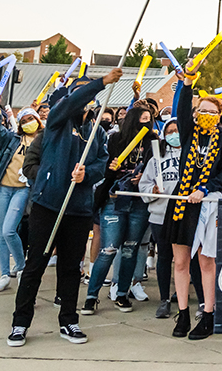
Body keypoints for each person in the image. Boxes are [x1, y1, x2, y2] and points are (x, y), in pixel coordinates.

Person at [8, 69, 121, 347]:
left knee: (71, 268)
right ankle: (20, 323)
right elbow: (70, 102)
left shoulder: (96, 132)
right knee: (35, 265)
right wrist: (99, 83)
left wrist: (88, 174)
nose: (87, 98)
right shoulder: (58, 120)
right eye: (82, 92)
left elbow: (101, 163)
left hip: (79, 209)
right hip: (49, 205)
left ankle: (69, 320)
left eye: (91, 94)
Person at [165, 76, 222, 340]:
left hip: (207, 205)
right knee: (181, 261)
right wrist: (186, 85)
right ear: (196, 114)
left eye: (212, 112)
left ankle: (208, 315)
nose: (207, 115)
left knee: (207, 262)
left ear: (219, 116)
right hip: (183, 204)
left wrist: (206, 188)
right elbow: (181, 109)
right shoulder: (187, 133)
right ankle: (183, 313)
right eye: (202, 111)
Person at [82, 106, 155, 315]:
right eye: (142, 119)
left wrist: (145, 177)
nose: (146, 123)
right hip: (115, 200)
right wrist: (111, 167)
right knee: (109, 249)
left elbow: (157, 168)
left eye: (149, 119)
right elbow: (102, 170)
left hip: (139, 202)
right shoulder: (115, 140)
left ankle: (122, 293)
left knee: (131, 249)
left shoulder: (154, 142)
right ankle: (91, 296)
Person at [0, 103, 42, 292]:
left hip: (23, 189)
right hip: (3, 187)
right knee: (1, 233)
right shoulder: (13, 139)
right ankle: (4, 274)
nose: (28, 123)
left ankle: (20, 267)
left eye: (31, 119)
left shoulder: (43, 141)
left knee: (9, 230)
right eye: (24, 121)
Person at [139, 119, 181, 319]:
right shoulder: (156, 158)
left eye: (177, 130)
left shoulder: (193, 155)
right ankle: (164, 299)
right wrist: (152, 191)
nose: (174, 134)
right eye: (170, 131)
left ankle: (189, 297)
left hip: (185, 215)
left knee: (186, 259)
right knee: (164, 256)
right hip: (160, 214)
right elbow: (143, 184)